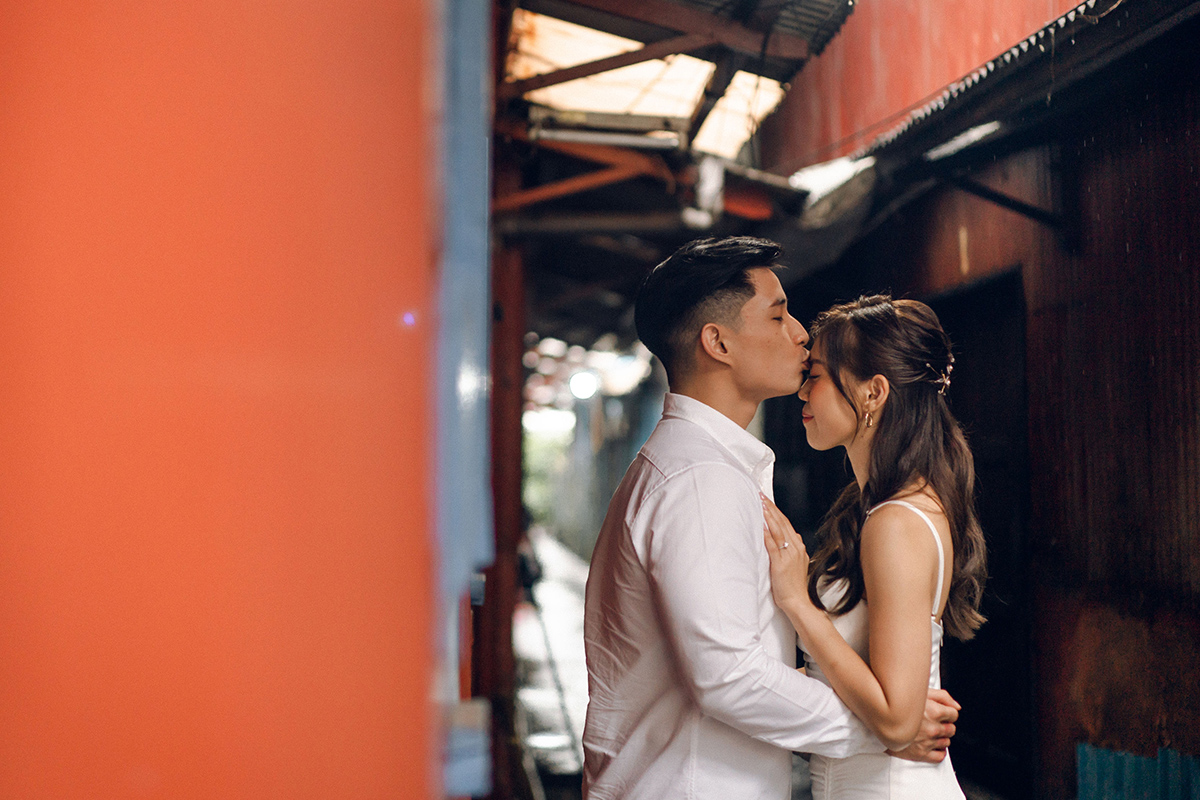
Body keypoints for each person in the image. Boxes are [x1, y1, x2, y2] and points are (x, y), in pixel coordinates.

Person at [582, 239, 961, 800]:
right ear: (718, 342)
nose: (802, 334)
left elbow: (744, 660)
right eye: (779, 314)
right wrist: (880, 730)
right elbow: (728, 675)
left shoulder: (709, 469)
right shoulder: (699, 480)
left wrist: (883, 715)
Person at [762, 295, 988, 799]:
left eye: (815, 374)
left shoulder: (895, 522)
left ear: (872, 393)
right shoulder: (880, 509)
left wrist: (798, 604)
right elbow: (885, 705)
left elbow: (895, 719)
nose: (802, 391)